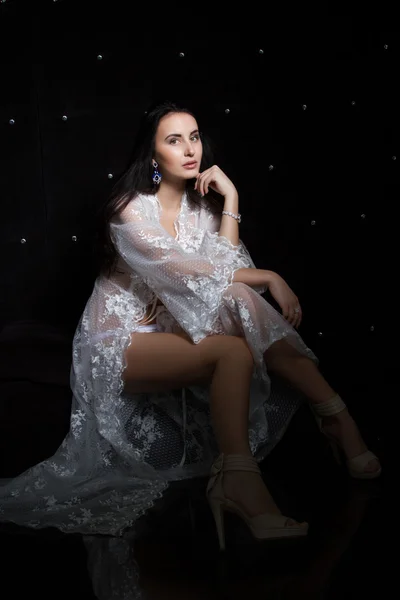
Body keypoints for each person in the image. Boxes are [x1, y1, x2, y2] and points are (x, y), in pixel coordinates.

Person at [0, 101, 381, 549]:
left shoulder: (200, 212)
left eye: (194, 137)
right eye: (173, 140)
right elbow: (188, 273)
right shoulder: (128, 209)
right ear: (153, 154)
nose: (189, 149)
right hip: (121, 340)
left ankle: (240, 479)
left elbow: (228, 269)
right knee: (238, 294)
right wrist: (271, 276)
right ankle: (335, 415)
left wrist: (231, 199)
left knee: (236, 325)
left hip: (172, 327)